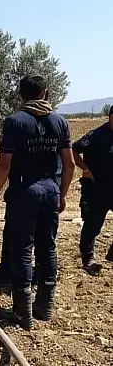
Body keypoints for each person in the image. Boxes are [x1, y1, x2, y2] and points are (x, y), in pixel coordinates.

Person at [0, 74, 74, 331]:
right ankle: (44, 307)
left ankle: (22, 313)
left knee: (22, 249)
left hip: (24, 191)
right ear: (44, 93)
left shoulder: (15, 122)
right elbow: (69, 164)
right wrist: (62, 194)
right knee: (48, 246)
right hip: (50, 190)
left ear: (21, 94)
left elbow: (4, 164)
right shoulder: (60, 121)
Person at [71, 106, 113, 275]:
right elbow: (73, 149)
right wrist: (85, 168)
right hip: (98, 189)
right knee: (92, 225)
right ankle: (88, 259)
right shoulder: (95, 136)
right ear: (111, 117)